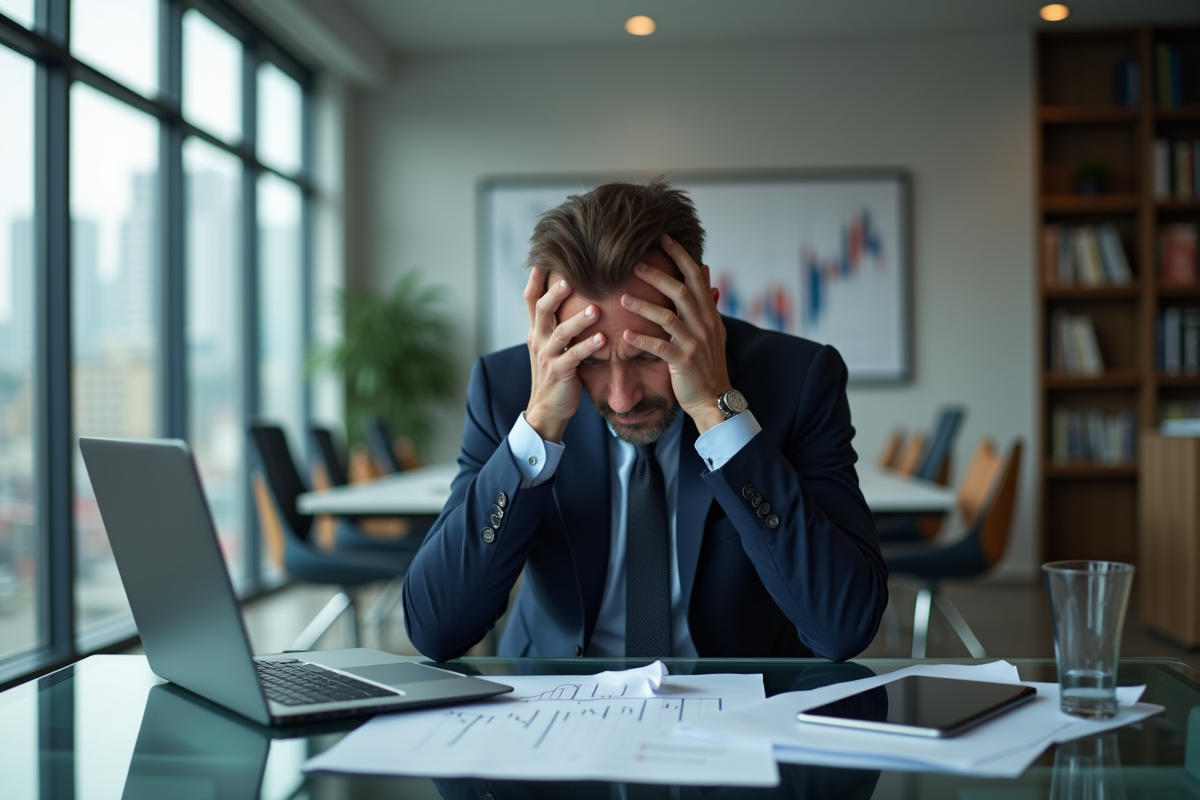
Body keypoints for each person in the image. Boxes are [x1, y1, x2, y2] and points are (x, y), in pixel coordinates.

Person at [402, 179, 886, 662]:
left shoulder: (798, 381)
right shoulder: (505, 388)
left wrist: (720, 412)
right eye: (590, 361)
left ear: (702, 313)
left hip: (737, 705)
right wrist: (539, 426)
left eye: (649, 354)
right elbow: (436, 630)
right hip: (554, 700)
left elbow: (843, 626)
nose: (621, 397)